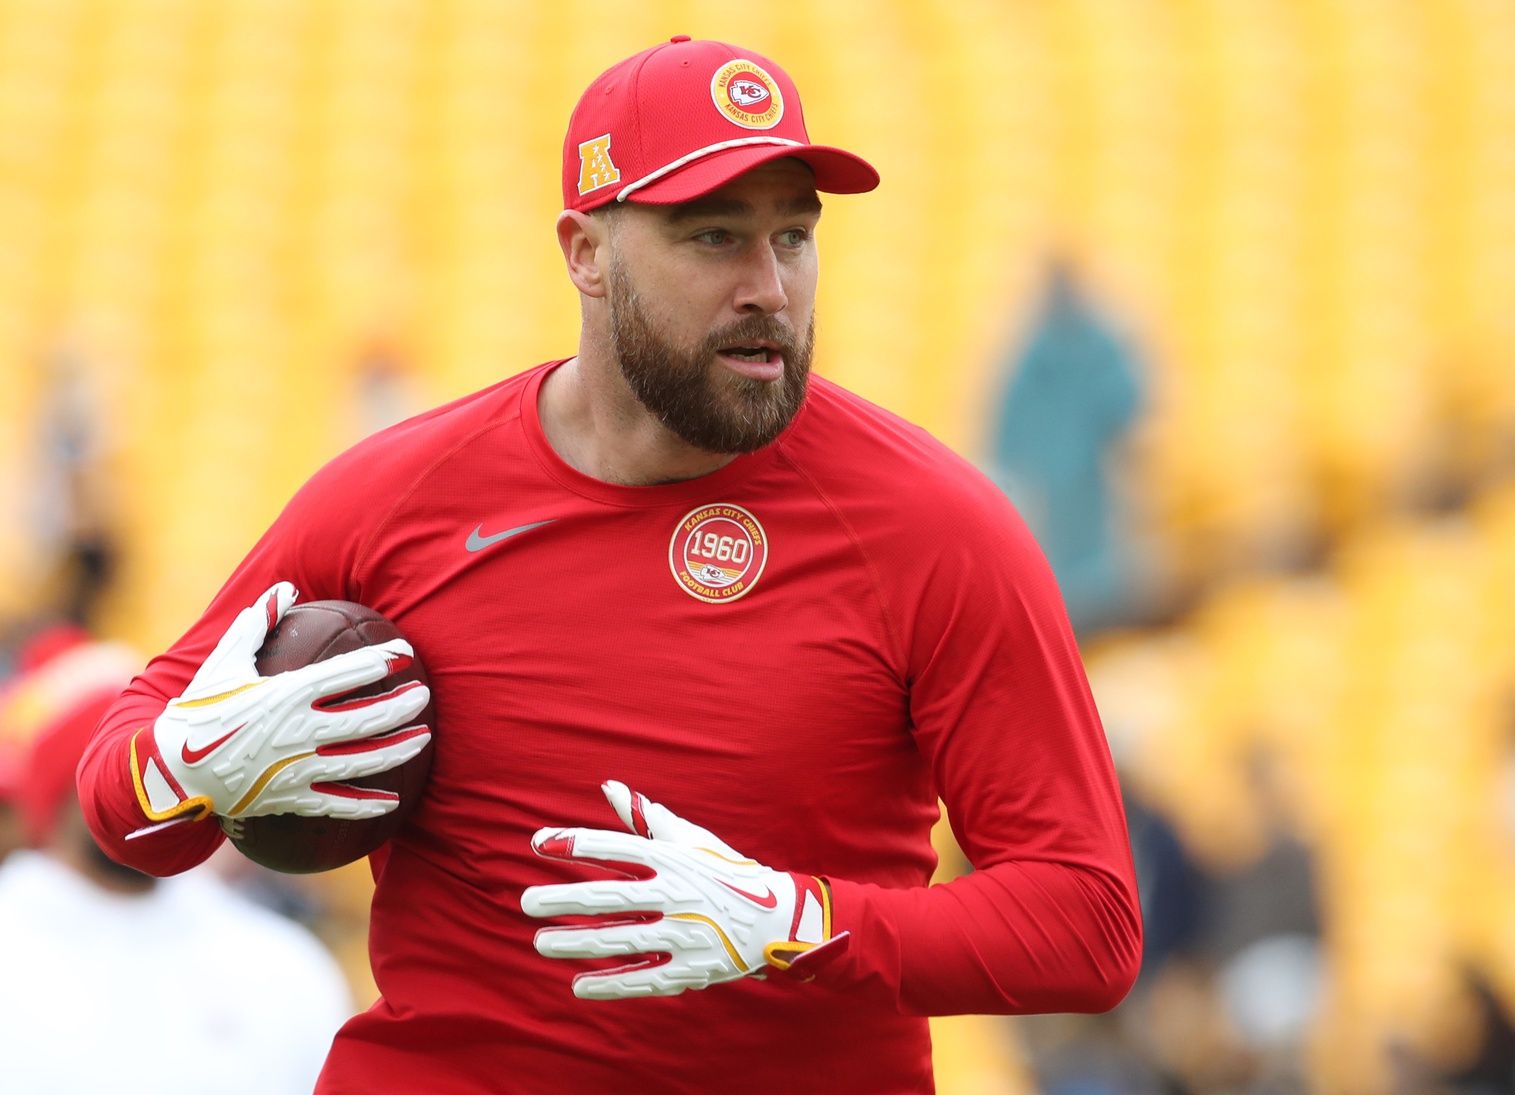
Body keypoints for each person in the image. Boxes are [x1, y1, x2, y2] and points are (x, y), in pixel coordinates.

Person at [78, 36, 1142, 1093]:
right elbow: (122, 810)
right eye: (715, 236)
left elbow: (1087, 927)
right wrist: (182, 766)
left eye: (794, 237)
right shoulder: (397, 494)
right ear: (586, 252)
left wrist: (795, 923)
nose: (768, 286)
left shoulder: (933, 527)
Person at [3, 632, 352, 1095]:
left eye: (158, 762)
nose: (141, 790)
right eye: (116, 766)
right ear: (64, 784)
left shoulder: (280, 964)